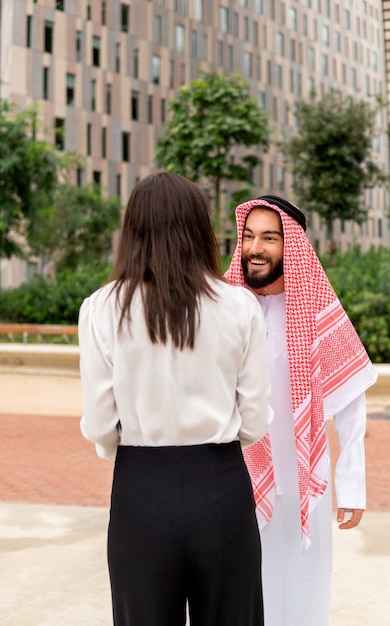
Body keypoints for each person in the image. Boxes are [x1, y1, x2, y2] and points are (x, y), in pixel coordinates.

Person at [78, 172, 273, 626]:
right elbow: (255, 420)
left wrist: (128, 450)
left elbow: (100, 424)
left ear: (132, 230)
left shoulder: (101, 308)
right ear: (199, 228)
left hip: (139, 493)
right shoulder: (238, 306)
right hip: (221, 487)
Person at [225, 195, 377, 626]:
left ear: (290, 247)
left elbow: (350, 408)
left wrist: (351, 489)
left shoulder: (318, 313)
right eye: (249, 236)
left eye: (269, 238)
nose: (255, 247)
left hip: (302, 486)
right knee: (239, 595)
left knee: (302, 600)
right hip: (233, 485)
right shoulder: (224, 310)